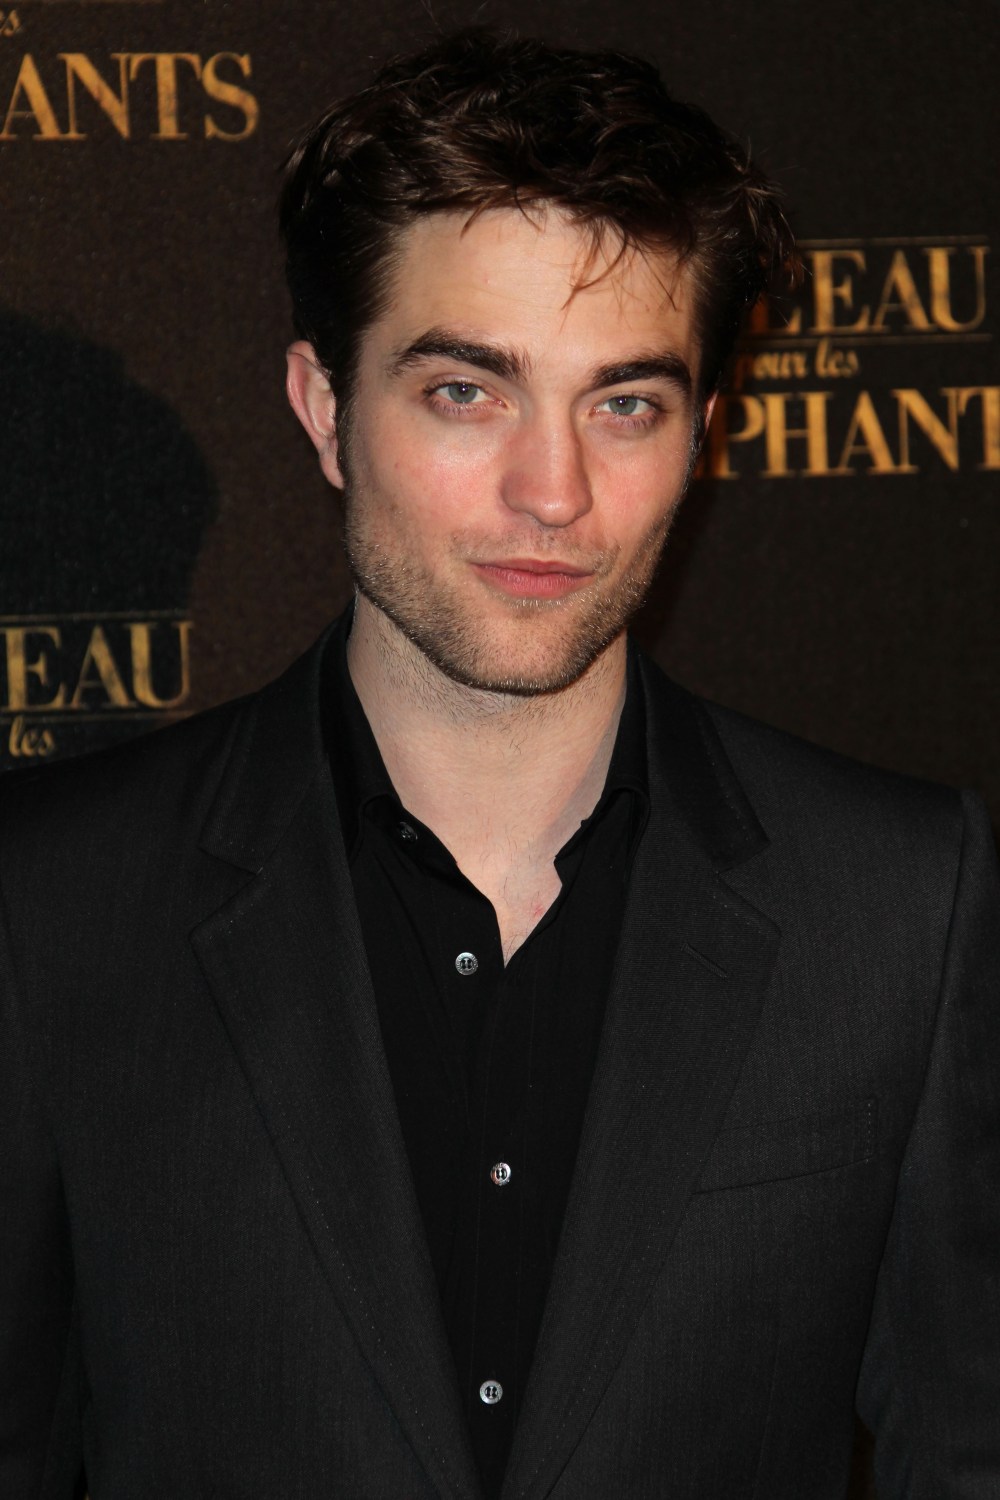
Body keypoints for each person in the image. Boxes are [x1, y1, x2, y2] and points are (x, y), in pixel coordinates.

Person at [2, 28, 998, 1500]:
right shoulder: (51, 903)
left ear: (703, 436)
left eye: (625, 403)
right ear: (325, 409)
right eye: (468, 391)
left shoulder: (899, 907)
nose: (555, 491)